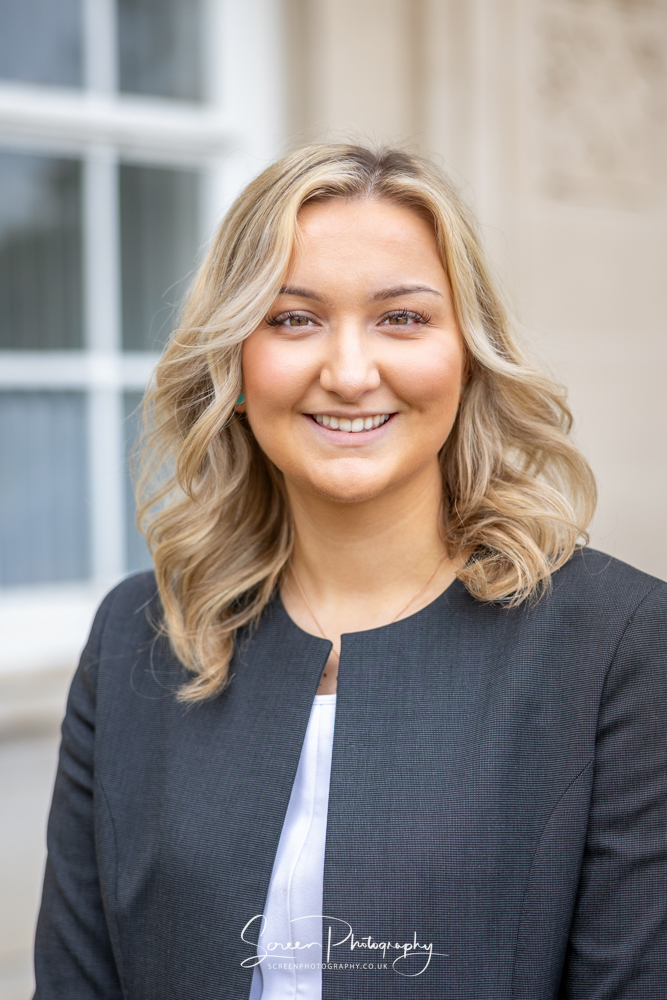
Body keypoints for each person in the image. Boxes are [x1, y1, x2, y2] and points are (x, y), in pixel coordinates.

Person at [34, 144, 667, 1000]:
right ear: (237, 362)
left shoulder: (614, 644)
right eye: (294, 319)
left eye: (401, 318)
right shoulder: (138, 636)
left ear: (468, 354)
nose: (348, 373)